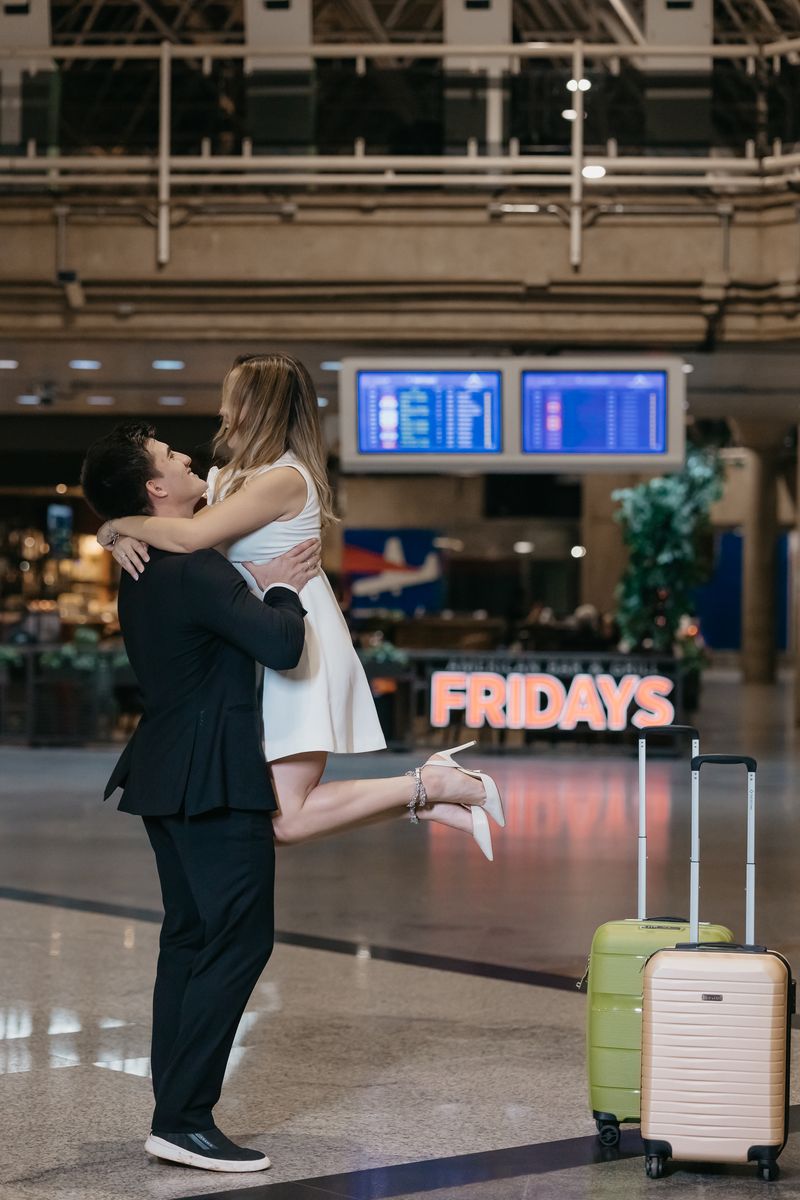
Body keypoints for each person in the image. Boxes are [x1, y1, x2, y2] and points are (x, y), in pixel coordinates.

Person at [98, 353, 504, 858]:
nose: (223, 409)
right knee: (270, 816)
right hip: (261, 640)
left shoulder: (284, 478)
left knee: (283, 819)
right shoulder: (229, 477)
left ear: (258, 406)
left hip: (300, 642)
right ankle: (425, 796)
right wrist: (115, 533)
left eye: (232, 396)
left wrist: (117, 524)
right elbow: (181, 534)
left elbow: (190, 536)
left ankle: (434, 782)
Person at [80, 421, 312, 1172]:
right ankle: (182, 1120)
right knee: (238, 939)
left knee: (188, 938)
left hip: (163, 768)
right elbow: (281, 643)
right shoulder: (193, 567)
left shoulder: (143, 561)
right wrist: (286, 589)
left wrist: (115, 526)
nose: (187, 458)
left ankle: (173, 1108)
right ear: (157, 489)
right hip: (212, 774)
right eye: (169, 456)